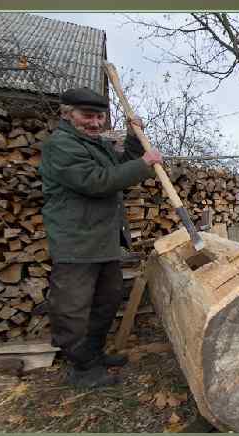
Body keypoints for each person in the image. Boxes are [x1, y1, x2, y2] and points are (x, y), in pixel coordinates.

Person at [39, 87, 163, 388]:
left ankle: (93, 355)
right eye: (87, 116)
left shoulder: (95, 144)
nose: (95, 123)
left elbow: (121, 168)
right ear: (67, 115)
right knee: (72, 308)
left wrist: (135, 139)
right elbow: (97, 182)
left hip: (103, 240)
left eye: (100, 116)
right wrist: (144, 163)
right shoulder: (62, 145)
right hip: (76, 241)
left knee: (106, 301)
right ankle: (81, 369)